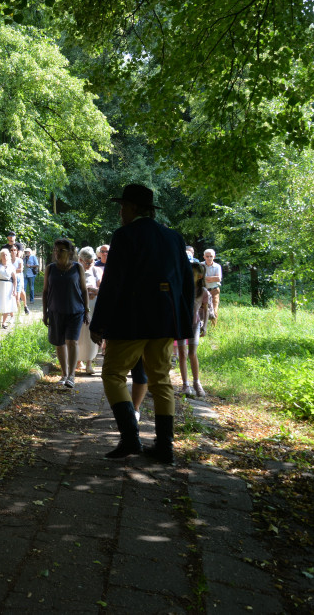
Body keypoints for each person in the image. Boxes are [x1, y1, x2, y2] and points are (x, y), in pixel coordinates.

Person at [89, 184, 194, 465]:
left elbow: (113, 283)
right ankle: (165, 448)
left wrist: (98, 323)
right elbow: (185, 282)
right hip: (164, 321)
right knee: (160, 380)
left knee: (112, 374)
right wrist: (183, 321)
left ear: (134, 208)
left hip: (131, 320)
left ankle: (131, 438)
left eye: (123, 206)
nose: (120, 211)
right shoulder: (174, 238)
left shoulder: (124, 236)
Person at [43, 238, 89, 388]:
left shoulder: (77, 268)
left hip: (75, 311)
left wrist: (87, 310)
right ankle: (64, 373)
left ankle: (72, 376)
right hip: (55, 311)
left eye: (61, 250)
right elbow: (45, 292)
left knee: (72, 341)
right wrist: (45, 312)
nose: (57, 253)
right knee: (59, 343)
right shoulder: (50, 268)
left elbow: (84, 290)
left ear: (70, 252)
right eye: (55, 250)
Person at [176, 261, 213, 398]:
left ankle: (197, 383)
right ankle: (186, 384)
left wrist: (205, 326)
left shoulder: (202, 292)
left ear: (200, 276)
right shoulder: (181, 288)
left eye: (191, 274)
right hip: (180, 324)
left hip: (194, 324)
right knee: (182, 353)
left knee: (192, 353)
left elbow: (206, 309)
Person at [76, 247, 100, 375]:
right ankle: (78, 360)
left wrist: (94, 291)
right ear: (80, 259)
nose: (90, 264)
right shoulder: (75, 270)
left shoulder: (96, 270)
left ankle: (89, 362)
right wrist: (84, 291)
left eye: (91, 261)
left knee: (90, 332)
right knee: (79, 333)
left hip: (92, 304)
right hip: (78, 304)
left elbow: (101, 287)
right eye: (87, 262)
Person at [0, 248, 16, 328]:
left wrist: (14, 290)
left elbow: (14, 279)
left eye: (6, 255)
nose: (5, 256)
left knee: (7, 304)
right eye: (3, 255)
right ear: (0, 257)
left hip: (8, 286)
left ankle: (4, 322)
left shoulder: (11, 267)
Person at [203, 249, 222, 324]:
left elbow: (218, 278)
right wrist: (213, 278)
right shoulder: (200, 265)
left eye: (211, 256)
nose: (209, 258)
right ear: (204, 257)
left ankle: (214, 327)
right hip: (203, 290)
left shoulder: (217, 266)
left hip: (214, 290)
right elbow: (199, 277)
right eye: (207, 256)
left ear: (214, 257)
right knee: (203, 309)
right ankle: (202, 326)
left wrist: (206, 278)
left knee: (214, 309)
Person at [10, 243, 26, 318]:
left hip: (18, 280)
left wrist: (11, 271)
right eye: (12, 250)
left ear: (17, 251)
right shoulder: (8, 260)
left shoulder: (19, 260)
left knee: (17, 298)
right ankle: (12, 316)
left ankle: (19, 315)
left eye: (15, 250)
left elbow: (20, 269)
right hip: (10, 280)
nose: (13, 251)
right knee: (10, 298)